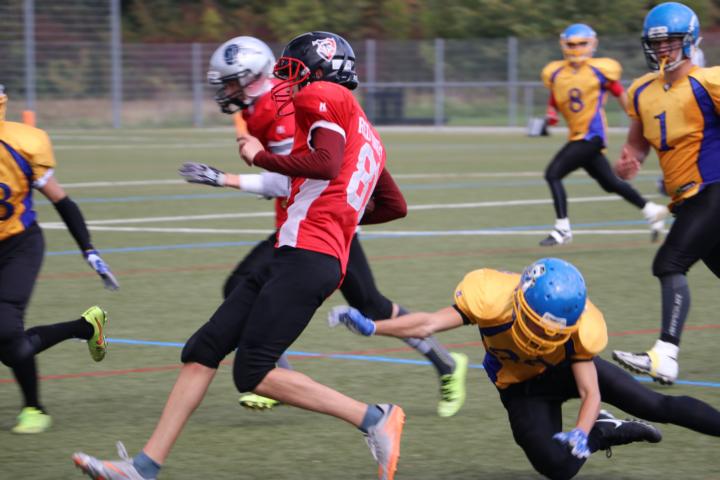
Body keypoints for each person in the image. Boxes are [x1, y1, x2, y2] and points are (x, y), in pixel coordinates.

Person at [72, 32, 408, 480]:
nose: (285, 82)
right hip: (294, 248)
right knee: (204, 348)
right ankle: (143, 467)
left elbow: (327, 163)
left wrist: (260, 157)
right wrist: (341, 216)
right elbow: (394, 206)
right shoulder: (367, 131)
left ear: (320, 71)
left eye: (292, 71)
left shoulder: (323, 95)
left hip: (307, 254)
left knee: (253, 372)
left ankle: (375, 418)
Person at [179, 37, 467, 416]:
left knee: (370, 306)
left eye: (233, 82)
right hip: (305, 227)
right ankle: (271, 376)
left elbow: (294, 179)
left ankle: (443, 364)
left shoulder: (290, 107)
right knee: (254, 287)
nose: (227, 91)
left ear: (254, 77)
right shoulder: (266, 106)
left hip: (317, 230)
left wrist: (227, 178)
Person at [329, 257, 720, 479]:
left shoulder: (584, 326)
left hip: (565, 370)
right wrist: (375, 327)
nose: (541, 335)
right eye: (535, 324)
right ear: (519, 300)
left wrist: (579, 429)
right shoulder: (490, 296)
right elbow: (428, 323)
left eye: (552, 330)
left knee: (656, 405)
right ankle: (604, 432)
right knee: (557, 469)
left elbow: (590, 391)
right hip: (520, 386)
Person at [612, 2, 720, 385]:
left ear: (689, 41)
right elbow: (637, 144)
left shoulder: (709, 81)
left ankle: (665, 356)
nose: (663, 49)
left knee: (669, 263)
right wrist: (629, 161)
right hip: (687, 199)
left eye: (670, 42)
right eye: (656, 43)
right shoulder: (642, 89)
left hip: (713, 189)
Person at [0, 85, 115, 433]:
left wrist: (88, 249)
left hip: (19, 245)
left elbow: (62, 201)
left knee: (5, 330)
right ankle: (85, 327)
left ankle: (35, 409)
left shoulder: (20, 144)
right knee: (9, 349)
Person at [539, 23, 669, 246]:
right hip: (577, 136)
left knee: (552, 174)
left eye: (581, 43)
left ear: (592, 44)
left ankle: (562, 228)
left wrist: (638, 117)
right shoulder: (556, 72)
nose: (576, 48)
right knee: (610, 183)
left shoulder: (599, 70)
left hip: (592, 136)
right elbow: (555, 96)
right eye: (571, 44)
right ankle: (652, 210)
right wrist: (551, 112)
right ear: (563, 45)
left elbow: (620, 94)